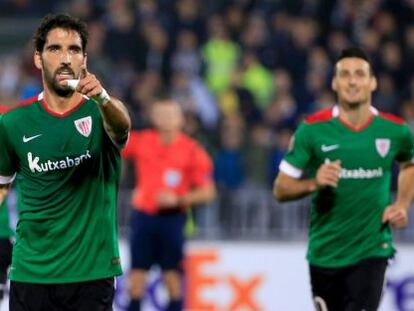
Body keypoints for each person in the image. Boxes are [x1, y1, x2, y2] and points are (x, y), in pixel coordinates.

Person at [0, 14, 131, 311]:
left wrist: (104, 98)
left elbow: (122, 128)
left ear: (84, 59)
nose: (65, 58)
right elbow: (2, 185)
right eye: (55, 49)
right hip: (32, 272)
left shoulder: (103, 112)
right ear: (38, 58)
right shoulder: (12, 123)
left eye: (73, 50)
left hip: (91, 274)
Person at [273, 47, 414, 311]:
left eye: (359, 74)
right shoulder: (312, 130)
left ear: (372, 82)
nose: (352, 81)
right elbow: (280, 189)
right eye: (345, 74)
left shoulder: (395, 130)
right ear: (334, 82)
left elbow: (409, 164)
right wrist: (315, 182)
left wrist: (402, 204)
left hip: (372, 248)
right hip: (326, 252)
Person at [122, 98, 215, 311]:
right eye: (161, 114)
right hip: (144, 217)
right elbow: (113, 145)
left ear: (181, 119)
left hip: (172, 219)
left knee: (172, 278)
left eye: (171, 114)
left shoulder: (192, 150)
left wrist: (179, 200)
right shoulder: (143, 140)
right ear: (153, 117)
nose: (166, 118)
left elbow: (208, 192)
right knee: (136, 277)